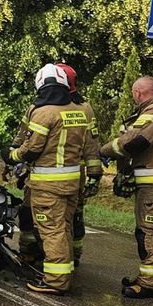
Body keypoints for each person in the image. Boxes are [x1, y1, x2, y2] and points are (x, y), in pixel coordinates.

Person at [9, 63, 96, 296]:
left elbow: (32, 148)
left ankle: (56, 281)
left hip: (48, 186)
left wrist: (12, 156)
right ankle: (63, 273)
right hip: (72, 183)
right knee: (64, 228)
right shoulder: (78, 110)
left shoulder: (44, 112)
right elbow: (90, 146)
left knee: (51, 230)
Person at [101, 76, 153, 299]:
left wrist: (104, 151)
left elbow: (134, 142)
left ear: (138, 93)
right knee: (147, 232)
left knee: (152, 233)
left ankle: (150, 284)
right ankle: (149, 278)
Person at [56, 63, 103, 266]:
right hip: (76, 175)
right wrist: (94, 174)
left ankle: (45, 256)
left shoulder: (43, 106)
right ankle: (71, 257)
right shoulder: (85, 109)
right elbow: (93, 145)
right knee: (74, 214)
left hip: (46, 174)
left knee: (56, 216)